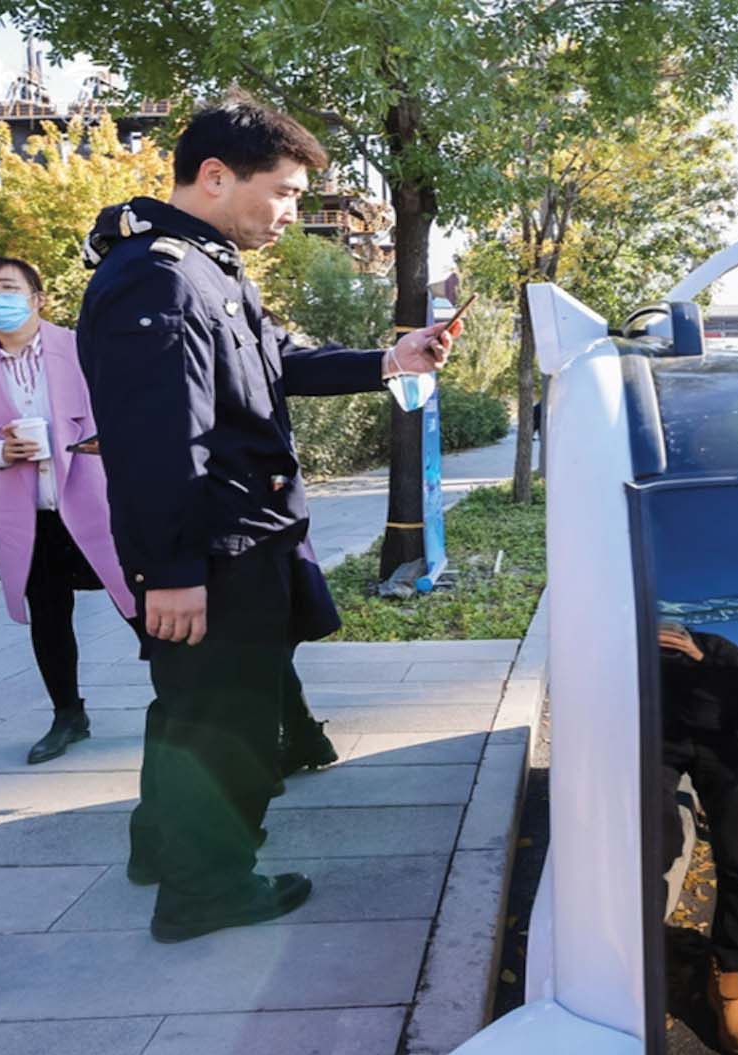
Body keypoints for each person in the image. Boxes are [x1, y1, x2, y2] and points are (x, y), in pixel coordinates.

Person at [77, 98, 455, 943]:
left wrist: (390, 359)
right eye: (282, 192)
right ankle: (207, 889)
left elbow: (272, 360)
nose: (290, 212)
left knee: (191, 709)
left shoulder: (204, 266)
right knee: (229, 723)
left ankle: (163, 849)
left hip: (239, 540)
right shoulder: (161, 274)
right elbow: (160, 442)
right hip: (216, 549)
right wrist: (174, 570)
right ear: (215, 177)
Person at [0, 257, 137, 765]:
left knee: (139, 601)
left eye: (6, 287)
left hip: (99, 501)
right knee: (49, 617)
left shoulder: (81, 348)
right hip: (29, 512)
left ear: (37, 298)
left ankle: (185, 705)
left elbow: (128, 406)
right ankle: (68, 715)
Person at [658, 621, 738, 1055]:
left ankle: (730, 979)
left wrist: (702, 658)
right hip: (655, 740)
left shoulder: (714, 644)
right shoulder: (628, 640)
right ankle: (633, 957)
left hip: (720, 744)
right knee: (653, 842)